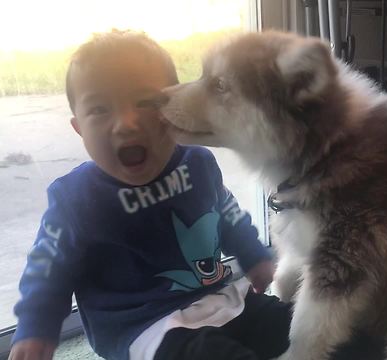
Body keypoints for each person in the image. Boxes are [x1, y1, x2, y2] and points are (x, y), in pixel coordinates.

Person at [8, 29, 291, 360]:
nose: (126, 123)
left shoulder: (197, 163)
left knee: (301, 324)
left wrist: (254, 255)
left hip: (222, 297)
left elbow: (228, 216)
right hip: (145, 327)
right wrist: (36, 325)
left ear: (173, 107)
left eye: (144, 101)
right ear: (79, 128)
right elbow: (46, 269)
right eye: (100, 109)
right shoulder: (75, 198)